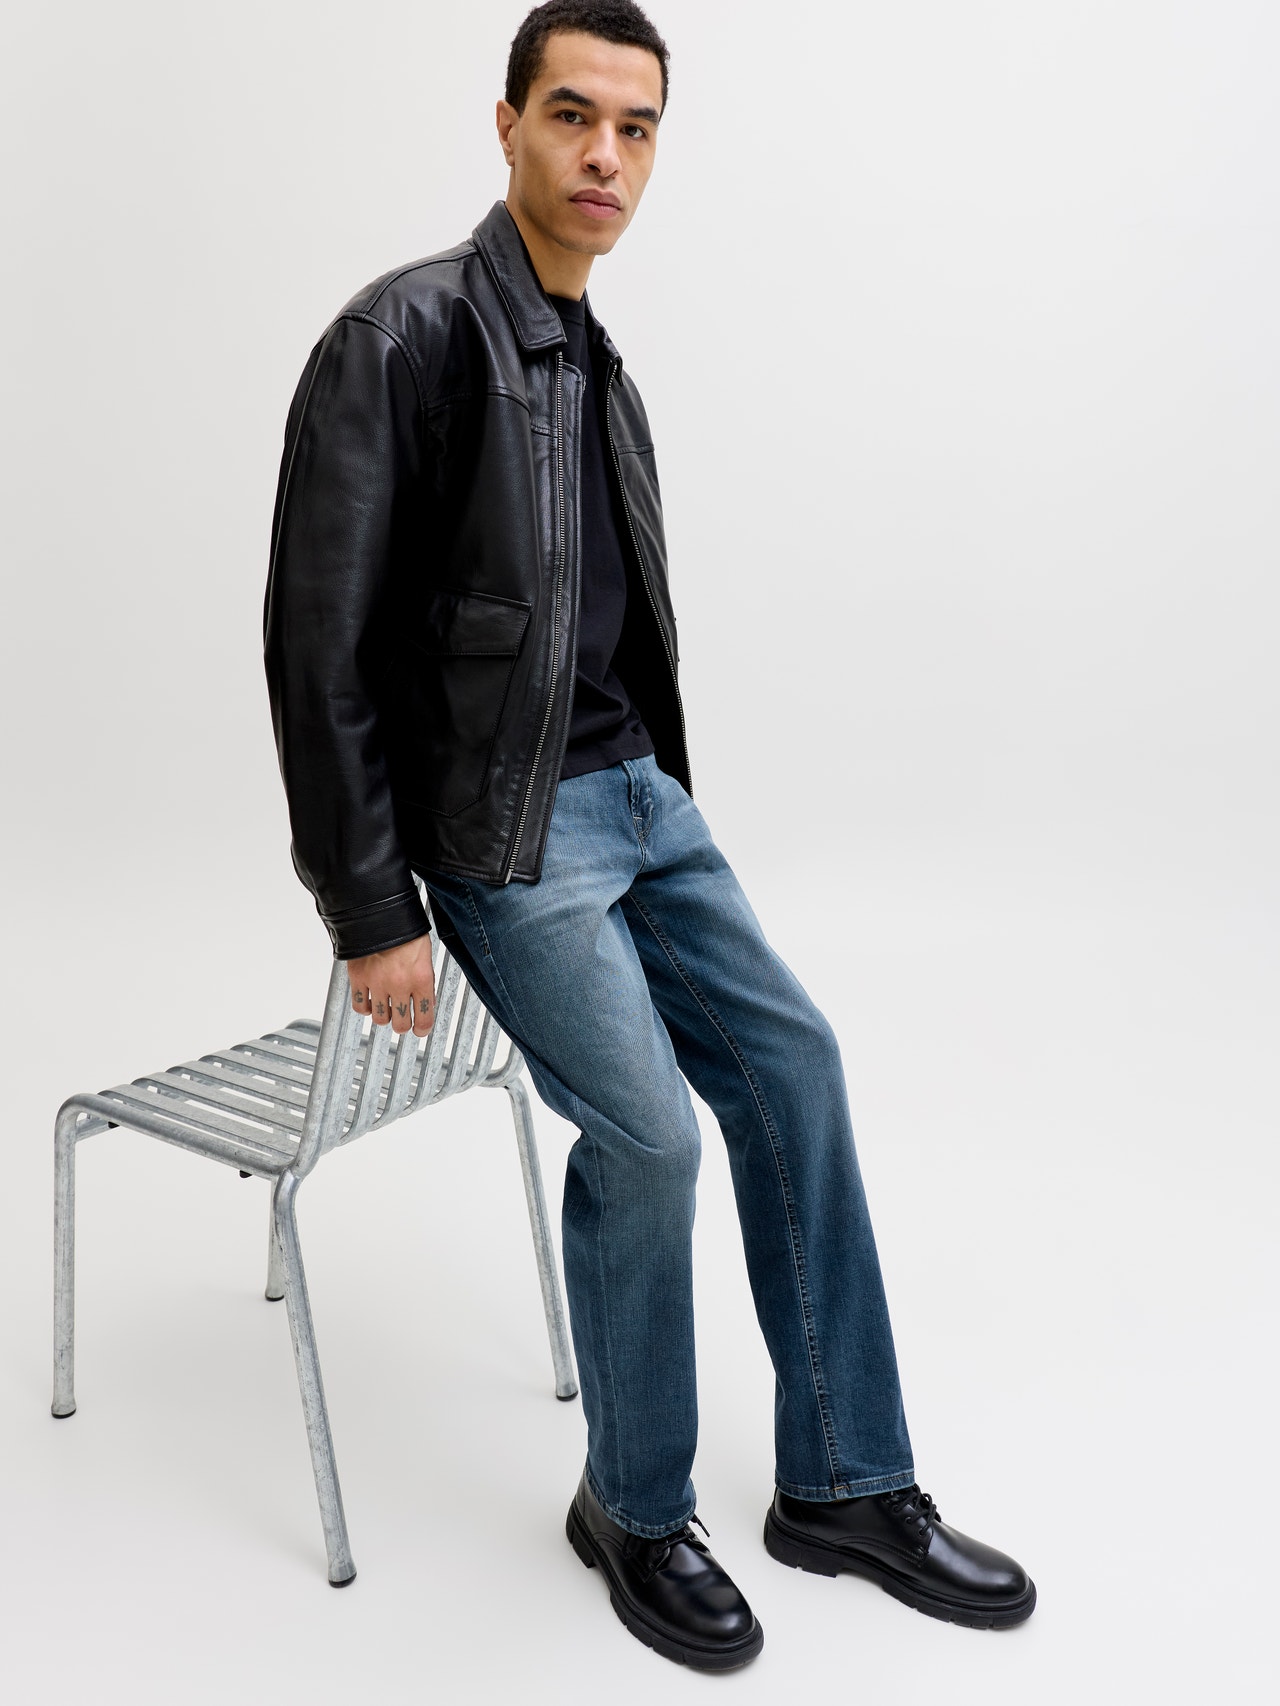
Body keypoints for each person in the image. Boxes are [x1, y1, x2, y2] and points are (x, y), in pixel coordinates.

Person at [263, 0, 1035, 1670]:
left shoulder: (597, 365)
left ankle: (844, 1482)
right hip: (506, 837)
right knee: (652, 1136)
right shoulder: (401, 337)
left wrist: (661, 804)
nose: (605, 154)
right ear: (507, 126)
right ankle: (633, 1504)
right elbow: (317, 643)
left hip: (641, 805)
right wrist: (370, 905)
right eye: (573, 115)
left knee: (798, 1066)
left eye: (637, 126)